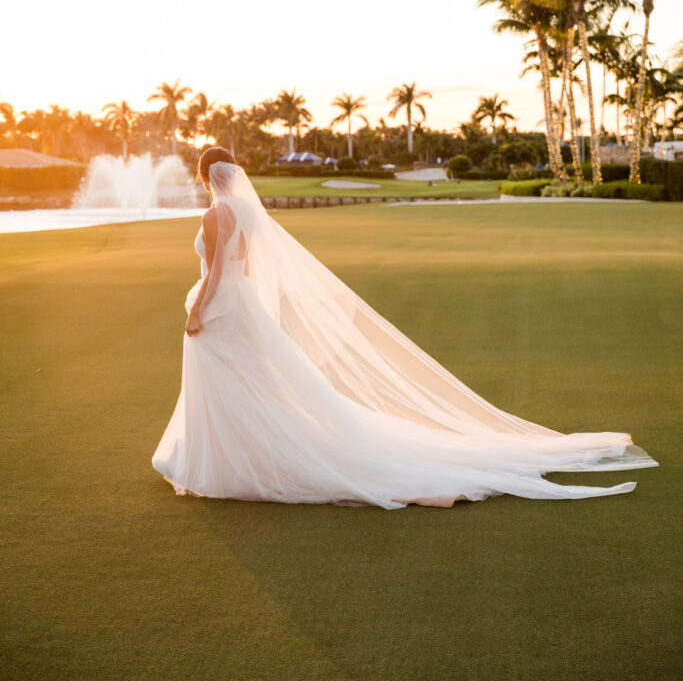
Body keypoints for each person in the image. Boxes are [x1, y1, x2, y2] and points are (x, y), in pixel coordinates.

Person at [152, 147, 658, 508]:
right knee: (256, 384)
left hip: (222, 306)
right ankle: (236, 455)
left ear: (204, 177)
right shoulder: (246, 211)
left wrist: (199, 310)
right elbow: (248, 269)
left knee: (240, 384)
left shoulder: (215, 215)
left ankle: (229, 460)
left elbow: (219, 270)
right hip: (243, 306)